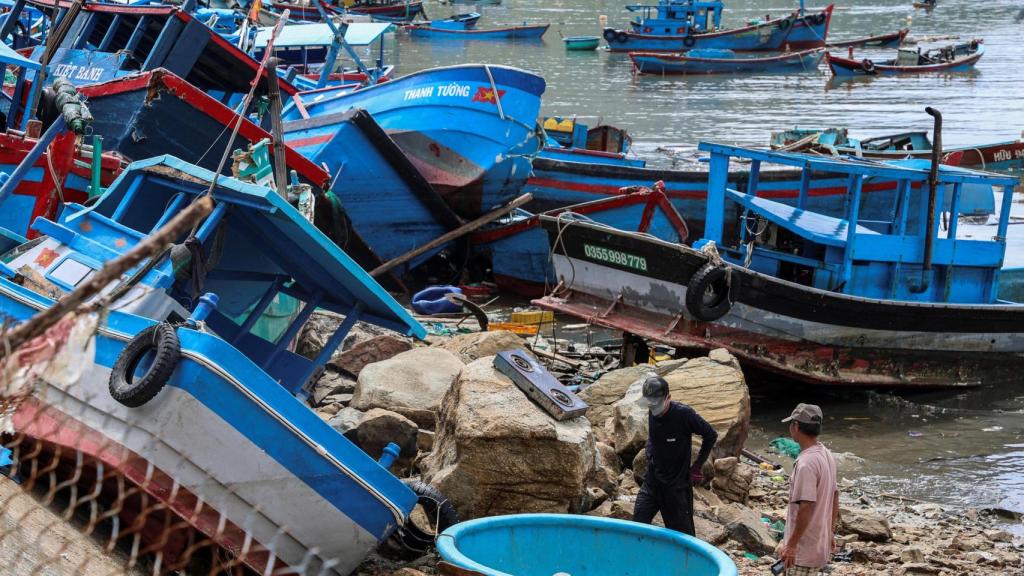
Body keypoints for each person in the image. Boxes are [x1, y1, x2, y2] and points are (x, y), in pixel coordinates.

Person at [632, 374, 718, 536]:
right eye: (650, 404)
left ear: (668, 398)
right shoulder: (652, 409)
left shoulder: (684, 414)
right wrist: (650, 449)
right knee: (637, 525)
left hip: (676, 486)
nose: (653, 409)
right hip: (652, 481)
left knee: (683, 536)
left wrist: (697, 466)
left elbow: (710, 435)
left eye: (657, 404)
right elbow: (655, 435)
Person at [776, 403, 839, 576]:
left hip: (803, 551)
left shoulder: (806, 463)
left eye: (791, 424)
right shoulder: (826, 454)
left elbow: (806, 507)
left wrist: (791, 545)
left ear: (796, 426)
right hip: (818, 545)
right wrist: (830, 531)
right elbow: (835, 495)